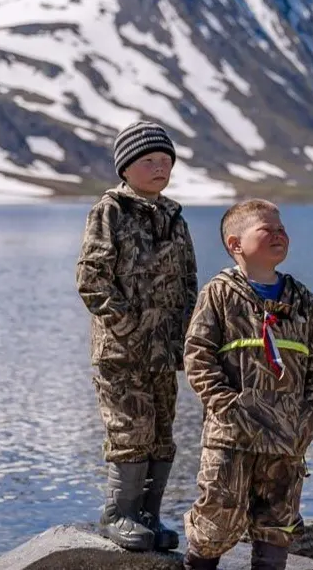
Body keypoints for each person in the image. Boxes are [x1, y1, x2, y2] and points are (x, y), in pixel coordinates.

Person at [181, 199, 313, 570]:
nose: (280, 235)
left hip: (286, 436)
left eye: (281, 228)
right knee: (217, 517)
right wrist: (226, 406)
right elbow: (197, 356)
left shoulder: (303, 301)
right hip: (232, 435)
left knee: (276, 524)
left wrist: (310, 414)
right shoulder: (218, 294)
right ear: (235, 244)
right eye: (267, 229)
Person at [76, 119, 199, 552]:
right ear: (125, 167)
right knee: (129, 429)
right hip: (121, 352)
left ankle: (150, 515)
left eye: (166, 160)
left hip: (165, 352)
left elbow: (188, 282)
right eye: (149, 160)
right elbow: (92, 280)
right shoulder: (109, 211)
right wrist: (128, 330)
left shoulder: (175, 217)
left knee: (162, 431)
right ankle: (118, 514)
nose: (160, 167)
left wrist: (186, 335)